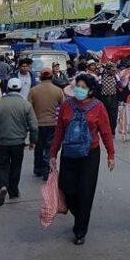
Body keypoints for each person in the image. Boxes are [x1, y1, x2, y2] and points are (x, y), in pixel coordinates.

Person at [50, 74, 116, 245]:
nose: (79, 89)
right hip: (69, 154)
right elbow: (59, 131)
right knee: (68, 189)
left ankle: (80, 231)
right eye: (78, 86)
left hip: (90, 155)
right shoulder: (66, 106)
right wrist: (53, 154)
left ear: (91, 90)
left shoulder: (99, 107)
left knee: (86, 192)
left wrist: (111, 154)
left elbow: (106, 132)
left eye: (84, 87)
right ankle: (80, 215)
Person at [0, 77, 38, 206]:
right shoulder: (26, 105)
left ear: (6, 88)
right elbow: (34, 126)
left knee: (1, 166)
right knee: (16, 167)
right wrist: (33, 141)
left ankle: (2, 185)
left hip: (2, 142)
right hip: (18, 142)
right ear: (20, 89)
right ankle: (13, 191)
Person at [28, 72, 65, 180]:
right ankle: (46, 169)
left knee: (39, 146)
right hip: (53, 123)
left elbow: (28, 108)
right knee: (50, 147)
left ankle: (38, 168)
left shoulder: (33, 90)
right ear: (52, 77)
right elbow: (63, 106)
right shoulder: (57, 90)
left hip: (37, 123)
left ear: (40, 77)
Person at [97, 62, 120, 133]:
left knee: (113, 116)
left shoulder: (116, 77)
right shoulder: (101, 77)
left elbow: (120, 86)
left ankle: (112, 130)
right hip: (104, 99)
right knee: (105, 116)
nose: (114, 72)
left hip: (113, 98)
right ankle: (105, 130)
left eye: (114, 70)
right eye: (112, 70)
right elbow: (98, 88)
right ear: (107, 70)